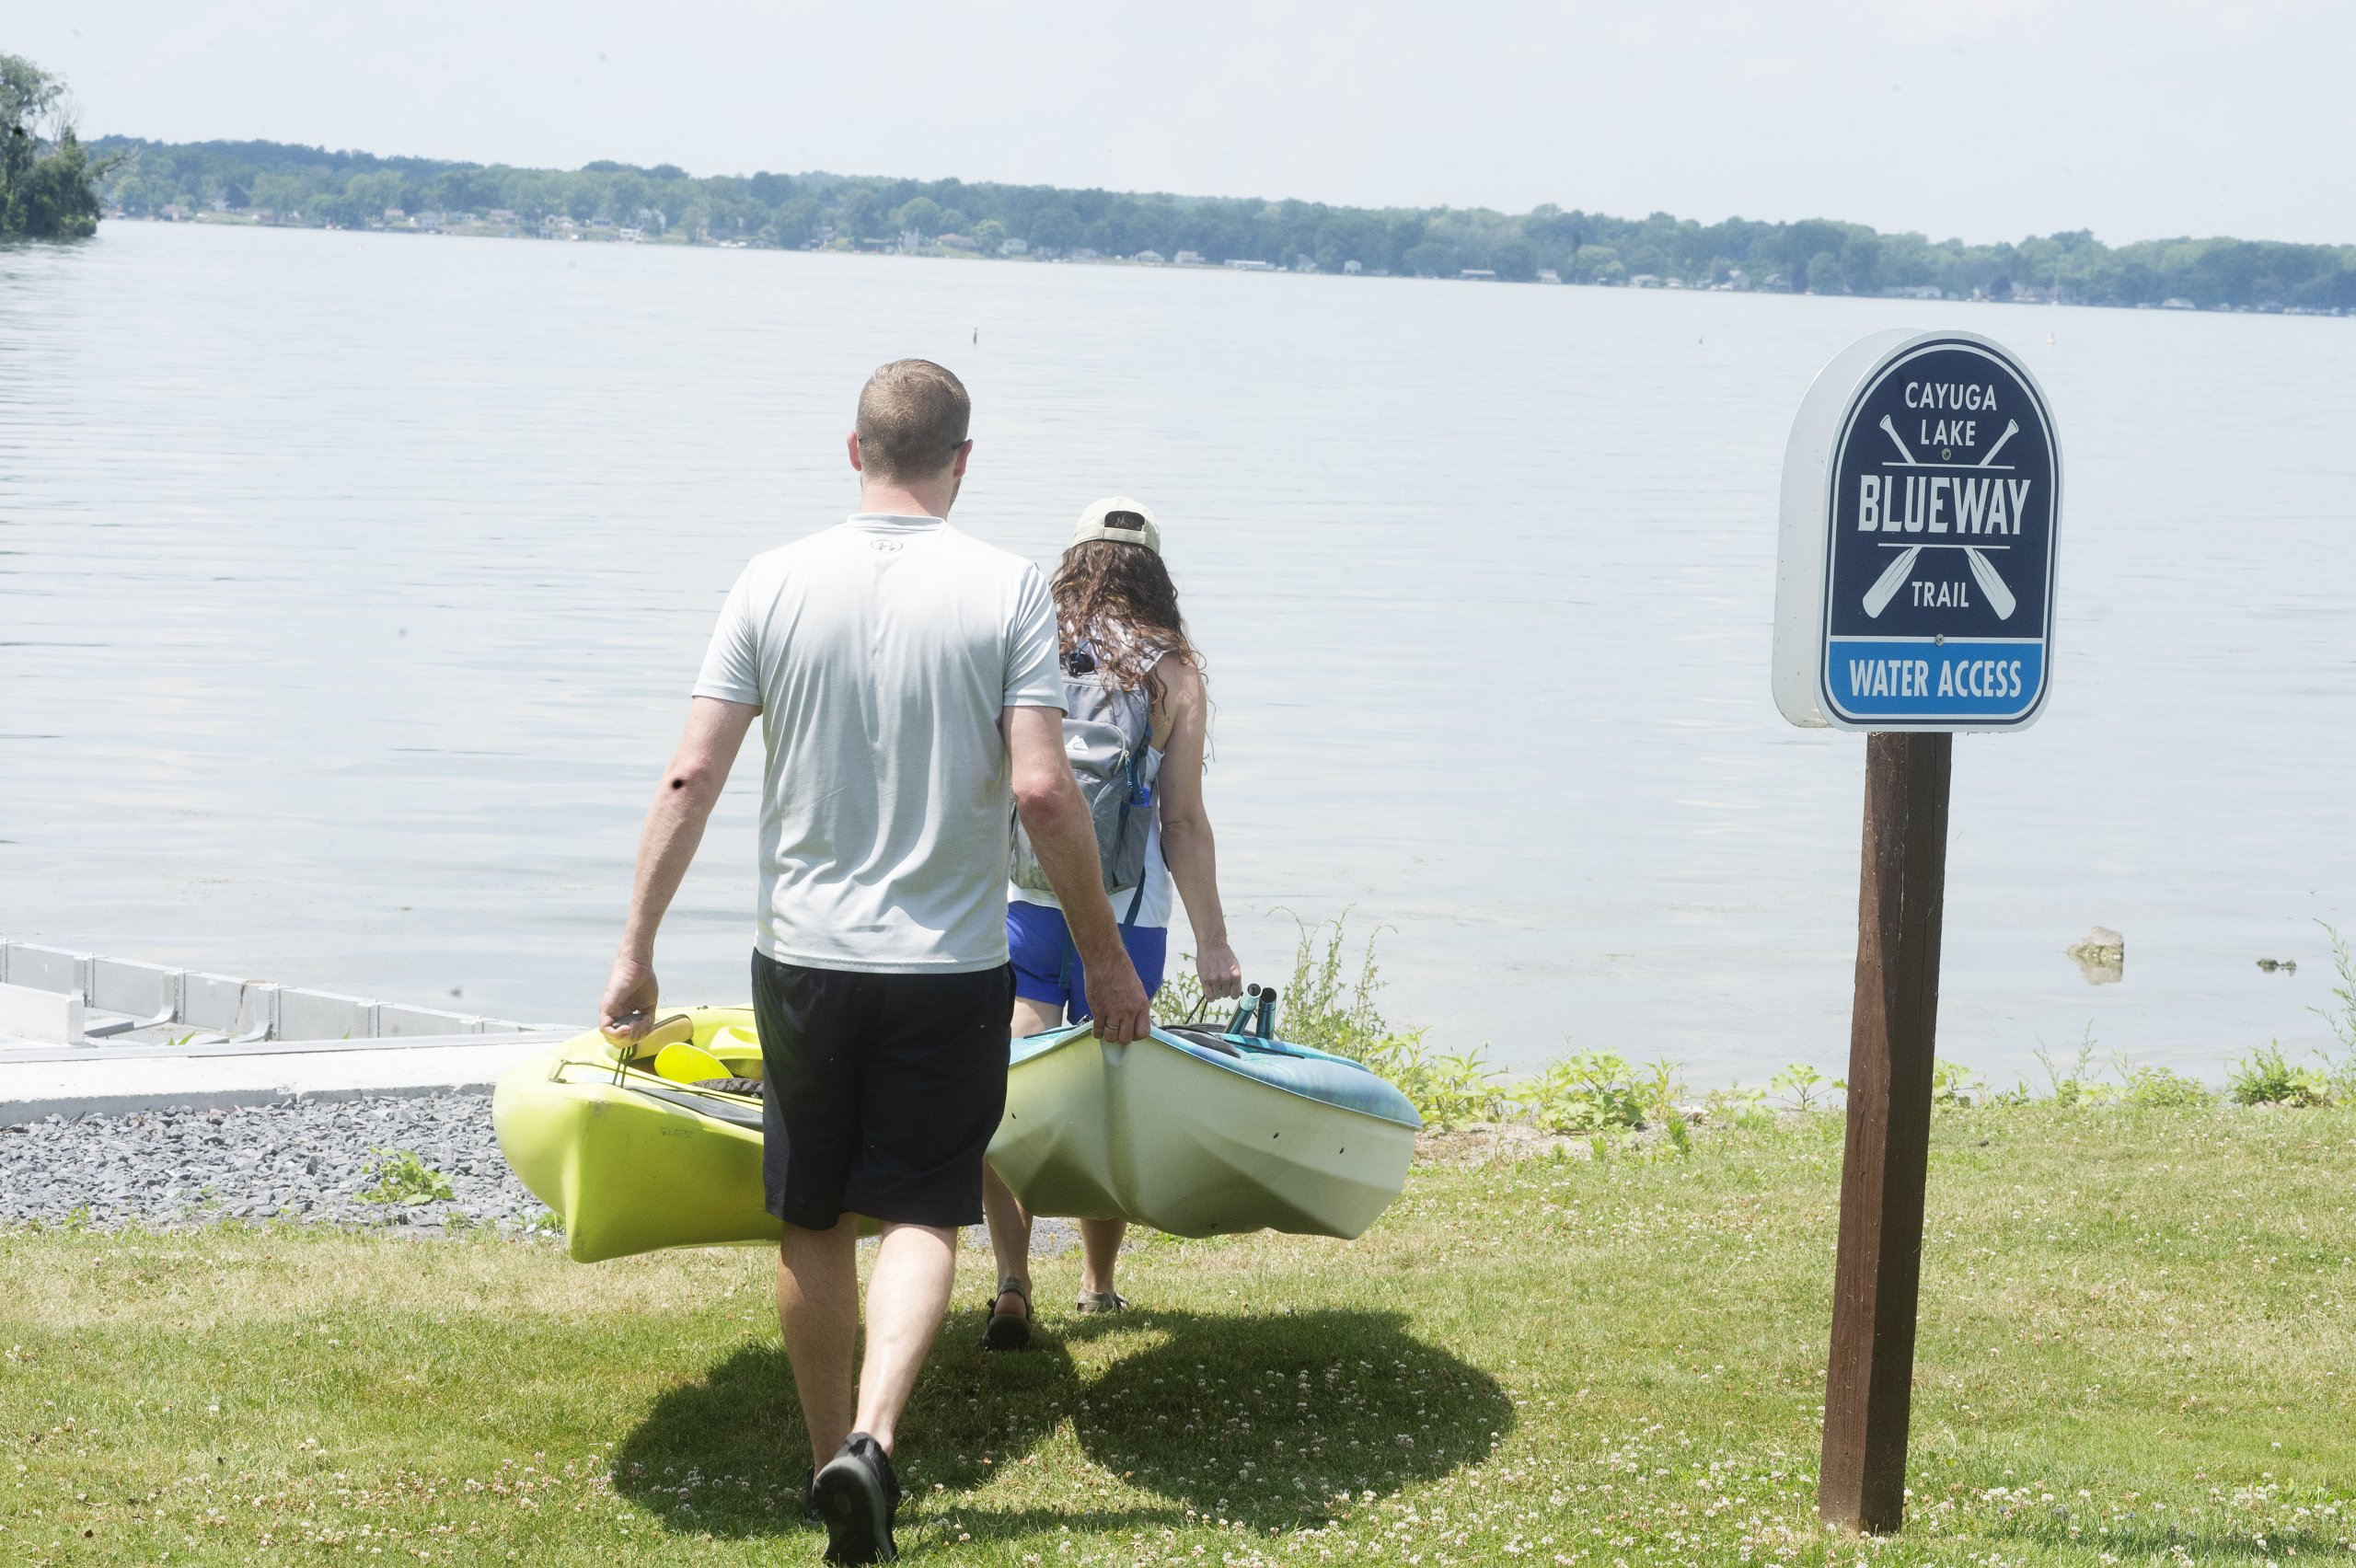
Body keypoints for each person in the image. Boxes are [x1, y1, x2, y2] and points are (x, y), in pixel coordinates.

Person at [595, 360, 1149, 1566]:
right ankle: (877, 1444)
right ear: (961, 461)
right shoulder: (1005, 588)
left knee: (812, 1215)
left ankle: (820, 1464)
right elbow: (1046, 789)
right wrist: (1106, 959)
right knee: (921, 1208)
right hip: (948, 965)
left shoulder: (770, 580)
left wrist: (636, 947)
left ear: (853, 452)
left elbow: (691, 775)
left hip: (801, 958)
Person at [978, 497, 1243, 1349]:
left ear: (1075, 560)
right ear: (1155, 574)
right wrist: (1213, 939)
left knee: (1011, 1087)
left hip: (1025, 903)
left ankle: (1012, 1281)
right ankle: (1097, 1286)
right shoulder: (1174, 673)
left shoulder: (1030, 649)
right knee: (1108, 1095)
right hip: (1129, 918)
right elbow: (1182, 823)